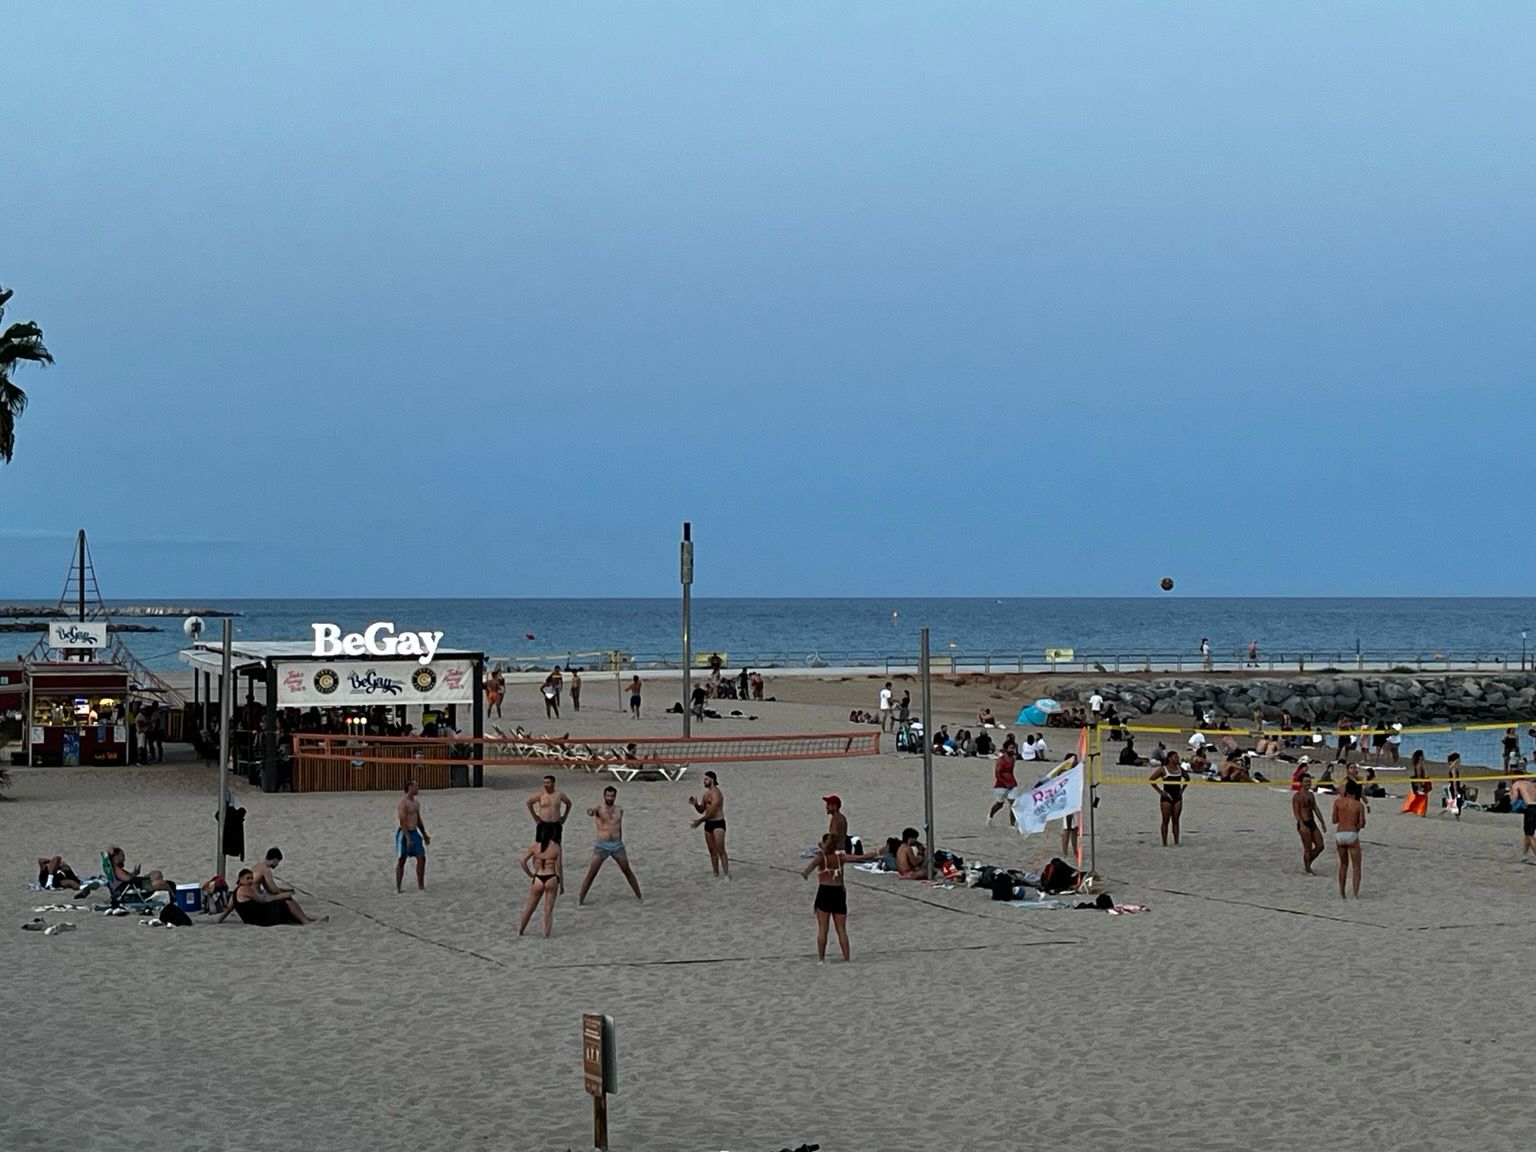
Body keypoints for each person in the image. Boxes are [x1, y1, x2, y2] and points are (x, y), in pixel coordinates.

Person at [800, 831, 876, 962]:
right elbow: (858, 857)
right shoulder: (841, 858)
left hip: (824, 892)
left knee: (823, 929)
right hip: (838, 893)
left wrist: (805, 874)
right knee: (841, 929)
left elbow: (810, 867)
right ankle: (846, 958)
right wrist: (876, 853)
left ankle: (821, 959)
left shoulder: (821, 857)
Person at [577, 785, 643, 904]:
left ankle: (639, 896)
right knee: (592, 873)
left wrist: (621, 841)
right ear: (604, 796)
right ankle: (581, 900)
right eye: (608, 795)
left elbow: (619, 827)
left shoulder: (619, 810)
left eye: (612, 796)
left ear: (615, 797)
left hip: (617, 845)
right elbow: (592, 812)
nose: (610, 798)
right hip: (602, 845)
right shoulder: (599, 809)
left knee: (627, 871)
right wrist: (591, 811)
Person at [218, 868, 327, 926]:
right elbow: (263, 900)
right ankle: (306, 921)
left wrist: (218, 921)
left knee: (284, 906)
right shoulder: (245, 889)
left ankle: (309, 919)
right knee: (287, 901)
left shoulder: (235, 892)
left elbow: (228, 909)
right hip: (260, 919)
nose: (250, 881)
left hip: (255, 919)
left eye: (251, 878)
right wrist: (281, 895)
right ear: (240, 879)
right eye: (247, 878)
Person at [526, 775, 572, 892]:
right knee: (539, 851)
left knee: (557, 853)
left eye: (548, 783)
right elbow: (529, 802)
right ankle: (537, 875)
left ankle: (560, 881)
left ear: (553, 783)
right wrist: (535, 816)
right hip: (543, 824)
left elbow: (568, 803)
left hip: (555, 824)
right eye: (544, 783)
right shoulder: (541, 794)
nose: (546, 785)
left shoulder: (559, 794)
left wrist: (564, 816)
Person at [517, 825, 563, 937]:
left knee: (530, 907)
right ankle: (546, 934)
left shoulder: (535, 846)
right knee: (548, 909)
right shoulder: (556, 848)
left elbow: (522, 861)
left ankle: (521, 930)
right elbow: (559, 868)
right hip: (551, 877)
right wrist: (561, 884)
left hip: (538, 877)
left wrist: (530, 874)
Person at [688, 771, 729, 877]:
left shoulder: (717, 794)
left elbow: (712, 812)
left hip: (718, 823)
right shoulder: (706, 794)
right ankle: (715, 873)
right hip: (708, 824)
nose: (704, 781)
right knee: (712, 851)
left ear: (712, 780)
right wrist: (695, 804)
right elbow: (702, 810)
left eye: (706, 779)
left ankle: (726, 874)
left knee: (721, 849)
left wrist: (699, 821)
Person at [1333, 779, 1367, 899]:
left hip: (1340, 834)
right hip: (1351, 833)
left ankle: (1342, 893)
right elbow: (1362, 823)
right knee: (1356, 866)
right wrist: (1356, 827)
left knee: (1343, 864)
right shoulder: (1359, 805)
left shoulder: (1338, 802)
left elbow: (1334, 820)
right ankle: (1355, 893)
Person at [395, 781, 430, 892]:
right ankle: (398, 888)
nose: (418, 788)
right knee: (402, 860)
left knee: (421, 857)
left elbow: (418, 819)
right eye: (416, 786)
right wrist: (407, 837)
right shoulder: (403, 803)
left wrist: (424, 834)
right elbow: (402, 821)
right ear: (410, 787)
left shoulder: (416, 802)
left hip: (415, 832)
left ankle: (421, 885)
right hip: (405, 832)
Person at [1291, 772, 1327, 874]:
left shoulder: (1311, 794)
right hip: (1303, 823)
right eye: (1306, 782)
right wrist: (1301, 824)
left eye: (1309, 782)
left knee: (1320, 845)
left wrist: (1322, 822)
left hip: (1312, 822)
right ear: (1301, 783)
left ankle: (1308, 861)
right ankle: (1308, 869)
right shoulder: (1297, 796)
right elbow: (1296, 812)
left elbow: (1315, 808)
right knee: (1308, 848)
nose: (1308, 783)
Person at [1150, 752, 1188, 847]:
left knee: (1176, 820)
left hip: (1177, 796)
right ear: (1170, 758)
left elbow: (1187, 778)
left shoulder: (1180, 769)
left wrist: (1182, 789)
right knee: (1165, 820)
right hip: (1167, 796)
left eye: (1178, 757)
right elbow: (1151, 780)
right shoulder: (1163, 769)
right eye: (1175, 757)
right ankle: (1164, 843)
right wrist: (1160, 792)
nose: (1177, 758)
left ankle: (1176, 842)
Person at [988, 748, 1018, 826]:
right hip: (1001, 785)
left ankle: (1012, 824)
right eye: (1011, 748)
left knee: (1013, 804)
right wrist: (1006, 783)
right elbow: (997, 774)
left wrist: (1012, 782)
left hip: (1012, 784)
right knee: (999, 804)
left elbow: (1011, 772)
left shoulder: (1013, 759)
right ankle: (990, 816)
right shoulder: (1000, 760)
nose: (1013, 750)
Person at [1513, 773, 1536, 862]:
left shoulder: (1517, 784)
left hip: (1531, 808)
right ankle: (1524, 855)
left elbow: (1513, 799)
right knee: (1527, 834)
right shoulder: (1530, 783)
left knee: (1530, 835)